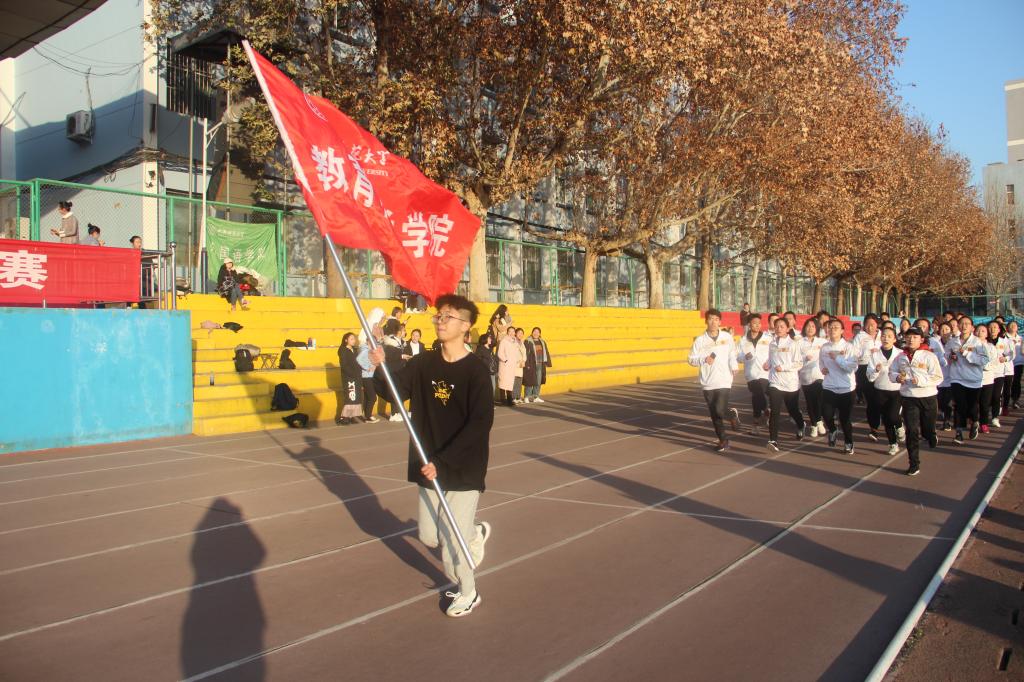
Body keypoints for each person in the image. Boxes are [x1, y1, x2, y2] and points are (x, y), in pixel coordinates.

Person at [373, 294, 494, 618]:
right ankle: (475, 532)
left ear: (466, 326)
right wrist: (379, 366)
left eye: (449, 317)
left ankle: (468, 592)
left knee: (452, 541)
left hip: (462, 467)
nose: (441, 321)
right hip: (428, 463)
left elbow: (480, 424)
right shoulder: (423, 363)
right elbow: (394, 392)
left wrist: (444, 461)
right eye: (439, 316)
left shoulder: (476, 372)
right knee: (429, 536)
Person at [890, 328, 943, 476]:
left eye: (915, 337)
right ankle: (914, 463)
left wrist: (920, 380)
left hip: (928, 397)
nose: (911, 339)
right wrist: (897, 378)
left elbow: (938, 377)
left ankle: (931, 434)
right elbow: (891, 372)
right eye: (909, 337)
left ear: (921, 339)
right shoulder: (900, 357)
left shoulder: (929, 356)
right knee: (912, 430)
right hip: (909, 397)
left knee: (927, 428)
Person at [688, 308, 741, 452]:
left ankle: (731, 414)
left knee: (719, 409)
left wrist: (734, 365)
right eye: (711, 319)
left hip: (724, 379)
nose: (713, 322)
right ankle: (723, 440)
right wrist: (703, 359)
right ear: (706, 321)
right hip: (707, 381)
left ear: (720, 322)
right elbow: (691, 359)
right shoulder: (700, 340)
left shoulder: (726, 337)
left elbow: (732, 353)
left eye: (716, 319)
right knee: (714, 413)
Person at [820, 318, 860, 454]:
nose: (832, 329)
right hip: (829, 386)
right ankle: (832, 429)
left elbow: (851, 368)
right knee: (826, 414)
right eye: (830, 327)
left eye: (836, 327)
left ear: (842, 330)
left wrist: (837, 358)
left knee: (845, 419)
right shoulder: (825, 347)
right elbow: (821, 362)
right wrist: (822, 369)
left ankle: (849, 442)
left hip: (846, 388)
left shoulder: (849, 347)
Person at [766, 317, 804, 451]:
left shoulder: (793, 344)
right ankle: (773, 440)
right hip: (775, 382)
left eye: (782, 326)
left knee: (792, 410)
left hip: (790, 383)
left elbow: (799, 363)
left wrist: (783, 367)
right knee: (774, 411)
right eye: (776, 326)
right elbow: (771, 359)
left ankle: (801, 424)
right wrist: (767, 364)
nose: (778, 329)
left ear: (787, 329)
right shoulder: (772, 344)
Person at [947, 317, 987, 444]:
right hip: (957, 378)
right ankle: (959, 433)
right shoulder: (952, 341)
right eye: (961, 323)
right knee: (959, 405)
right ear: (958, 326)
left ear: (971, 327)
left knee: (972, 407)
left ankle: (975, 421)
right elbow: (946, 355)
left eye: (967, 324)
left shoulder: (977, 342)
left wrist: (967, 354)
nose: (964, 326)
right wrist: (950, 357)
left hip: (973, 379)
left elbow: (984, 360)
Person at [867, 327, 904, 455]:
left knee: (893, 416)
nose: (886, 338)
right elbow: (870, 377)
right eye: (883, 336)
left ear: (894, 339)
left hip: (897, 390)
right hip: (880, 391)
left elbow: (906, 370)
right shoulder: (875, 355)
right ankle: (893, 444)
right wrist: (876, 370)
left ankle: (899, 425)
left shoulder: (900, 354)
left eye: (889, 336)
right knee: (887, 419)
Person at [738, 313, 773, 435]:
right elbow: (738, 357)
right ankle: (766, 410)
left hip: (764, 372)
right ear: (749, 324)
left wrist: (769, 363)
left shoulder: (767, 338)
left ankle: (756, 423)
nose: (757, 325)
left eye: (759, 323)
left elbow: (773, 353)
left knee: (757, 394)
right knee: (757, 396)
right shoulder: (743, 340)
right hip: (751, 374)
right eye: (754, 323)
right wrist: (744, 357)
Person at [853, 314, 883, 439]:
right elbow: (854, 353)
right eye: (867, 325)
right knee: (871, 400)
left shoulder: (883, 335)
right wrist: (866, 353)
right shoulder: (860, 336)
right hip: (864, 369)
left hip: (881, 369)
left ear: (877, 325)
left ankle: (893, 421)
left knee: (882, 398)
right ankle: (873, 428)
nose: (870, 327)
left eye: (872, 325)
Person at [374, 318, 408, 422]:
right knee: (395, 391)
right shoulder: (389, 341)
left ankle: (399, 412)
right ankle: (394, 413)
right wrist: (401, 356)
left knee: (400, 391)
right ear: (398, 331)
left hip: (400, 369)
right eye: (403, 330)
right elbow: (389, 355)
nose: (404, 332)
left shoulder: (401, 342)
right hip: (393, 370)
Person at [797, 318, 826, 438]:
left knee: (819, 399)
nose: (810, 328)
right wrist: (804, 358)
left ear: (817, 328)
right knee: (810, 402)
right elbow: (795, 358)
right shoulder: (799, 342)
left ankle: (818, 422)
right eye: (808, 326)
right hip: (805, 375)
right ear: (804, 328)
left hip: (819, 374)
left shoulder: (822, 342)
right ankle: (814, 424)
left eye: (813, 326)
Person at [336, 332, 364, 425]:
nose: (354, 340)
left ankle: (352, 416)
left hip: (357, 376)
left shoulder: (355, 350)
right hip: (349, 377)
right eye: (351, 339)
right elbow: (344, 366)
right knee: (350, 397)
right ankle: (344, 417)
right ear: (346, 340)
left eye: (354, 338)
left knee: (356, 397)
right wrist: (353, 374)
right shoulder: (343, 350)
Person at [991, 320, 1015, 419]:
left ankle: (1001, 409)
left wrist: (1005, 358)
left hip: (1004, 370)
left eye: (995, 327)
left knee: (1003, 391)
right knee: (989, 395)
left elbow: (1011, 354)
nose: (992, 329)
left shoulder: (1006, 341)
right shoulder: (984, 341)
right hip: (988, 371)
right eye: (991, 327)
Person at [523, 327, 552, 403]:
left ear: (540, 334)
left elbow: (546, 352)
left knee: (538, 381)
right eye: (534, 331)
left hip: (540, 364)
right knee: (530, 380)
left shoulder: (542, 341)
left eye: (537, 332)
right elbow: (525, 353)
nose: (536, 333)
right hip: (531, 364)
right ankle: (527, 396)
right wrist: (527, 364)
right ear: (532, 332)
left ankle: (536, 396)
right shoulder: (527, 341)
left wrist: (547, 362)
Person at [935, 321, 955, 430]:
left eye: (947, 329)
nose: (944, 332)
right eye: (942, 329)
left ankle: (947, 421)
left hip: (951, 376)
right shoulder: (935, 343)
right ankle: (944, 415)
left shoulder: (954, 343)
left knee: (948, 401)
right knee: (940, 401)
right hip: (938, 375)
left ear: (951, 331)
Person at [356, 337, 380, 423]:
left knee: (367, 397)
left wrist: (374, 365)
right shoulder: (365, 350)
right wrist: (367, 367)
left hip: (369, 376)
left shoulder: (370, 350)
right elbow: (358, 360)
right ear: (368, 341)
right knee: (373, 397)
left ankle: (367, 416)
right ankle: (368, 416)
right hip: (366, 376)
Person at [496, 327, 519, 407]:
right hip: (505, 365)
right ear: (507, 332)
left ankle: (509, 399)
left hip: (512, 366)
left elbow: (516, 353)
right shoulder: (504, 341)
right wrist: (505, 360)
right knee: (503, 383)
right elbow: (500, 353)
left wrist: (516, 361)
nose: (511, 333)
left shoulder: (515, 342)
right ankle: (503, 400)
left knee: (510, 383)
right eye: (510, 331)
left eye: (513, 331)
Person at [1008, 320, 1023, 408]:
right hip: (1007, 363)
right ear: (1008, 327)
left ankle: (1015, 399)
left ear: (1017, 328)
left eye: (1015, 325)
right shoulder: (1005, 338)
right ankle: (1005, 400)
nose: (1013, 326)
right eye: (1011, 325)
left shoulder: (1021, 338)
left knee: (1016, 381)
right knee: (1007, 382)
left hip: (1018, 362)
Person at [512, 328, 528, 403]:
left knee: (519, 381)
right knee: (514, 381)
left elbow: (524, 353)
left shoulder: (522, 342)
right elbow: (513, 353)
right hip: (515, 364)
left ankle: (518, 397)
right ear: (515, 334)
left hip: (521, 364)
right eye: (519, 333)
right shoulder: (513, 342)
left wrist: (524, 360)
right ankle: (513, 397)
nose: (520, 335)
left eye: (522, 333)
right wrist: (519, 361)